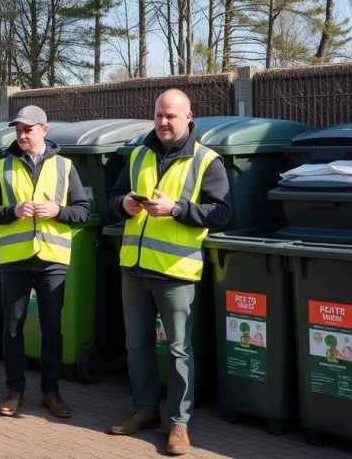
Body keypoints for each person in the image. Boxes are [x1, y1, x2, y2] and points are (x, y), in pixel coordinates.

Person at [106, 89, 231, 456]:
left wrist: (177, 209)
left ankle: (179, 424)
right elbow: (113, 199)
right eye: (159, 115)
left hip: (176, 271)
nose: (163, 122)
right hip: (134, 267)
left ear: (188, 116)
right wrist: (125, 205)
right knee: (137, 346)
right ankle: (144, 411)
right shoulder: (138, 154)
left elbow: (221, 213)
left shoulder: (207, 161)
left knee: (178, 351)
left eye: (171, 116)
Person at [0, 105, 90, 419]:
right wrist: (12, 211)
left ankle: (51, 392)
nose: (22, 135)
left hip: (53, 259)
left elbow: (82, 211)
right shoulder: (1, 167)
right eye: (18, 130)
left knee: (52, 328)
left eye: (28, 129)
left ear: (44, 130)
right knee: (12, 327)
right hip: (14, 259)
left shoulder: (66, 167)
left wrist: (58, 211)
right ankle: (14, 390)